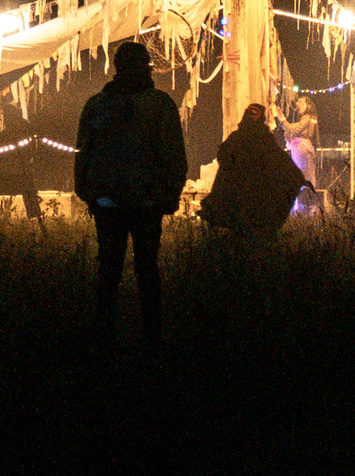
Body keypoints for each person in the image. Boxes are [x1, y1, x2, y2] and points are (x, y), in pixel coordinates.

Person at [72, 41, 190, 347]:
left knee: (108, 268)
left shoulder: (96, 105)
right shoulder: (160, 104)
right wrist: (170, 194)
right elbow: (173, 155)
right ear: (146, 67)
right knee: (147, 268)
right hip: (147, 200)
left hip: (106, 200)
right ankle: (152, 337)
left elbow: (83, 152)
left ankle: (104, 335)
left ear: (117, 68)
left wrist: (86, 190)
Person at [202, 103, 308, 238]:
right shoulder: (239, 138)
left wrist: (295, 176)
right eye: (250, 114)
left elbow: (277, 159)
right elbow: (223, 157)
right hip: (241, 189)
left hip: (256, 188)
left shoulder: (261, 138)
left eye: (254, 114)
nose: (251, 117)